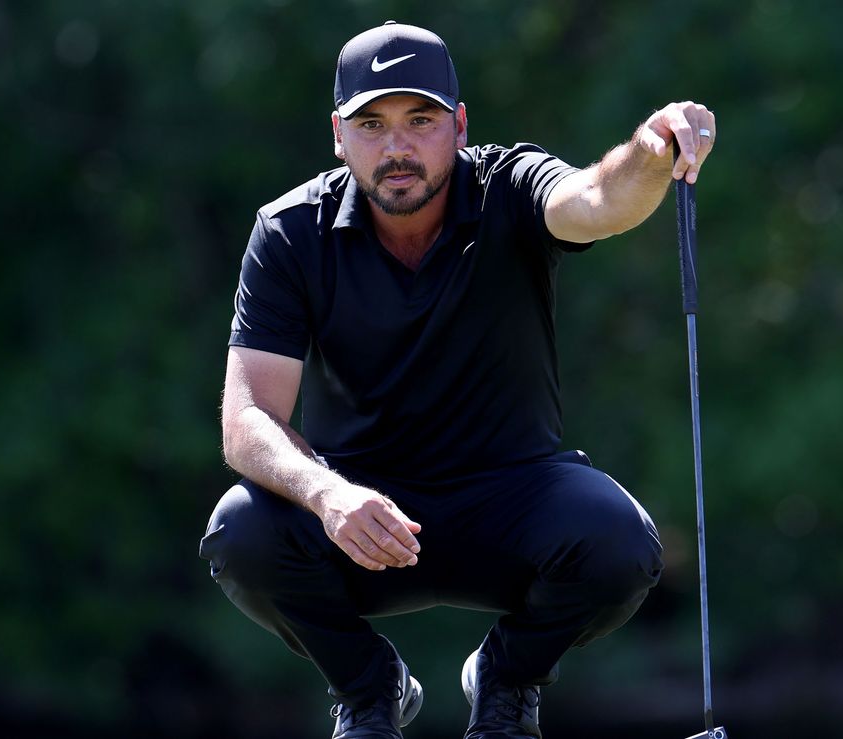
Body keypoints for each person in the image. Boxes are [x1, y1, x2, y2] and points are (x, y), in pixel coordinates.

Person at [199, 20, 716, 739]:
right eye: (372, 124)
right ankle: (367, 686)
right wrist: (328, 493)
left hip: (512, 502)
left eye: (421, 120)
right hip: (360, 512)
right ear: (338, 136)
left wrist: (652, 151)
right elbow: (246, 416)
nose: (398, 146)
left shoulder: (511, 185)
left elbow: (600, 197)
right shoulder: (289, 232)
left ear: (460, 125)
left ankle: (507, 679)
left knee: (622, 544)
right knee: (239, 531)